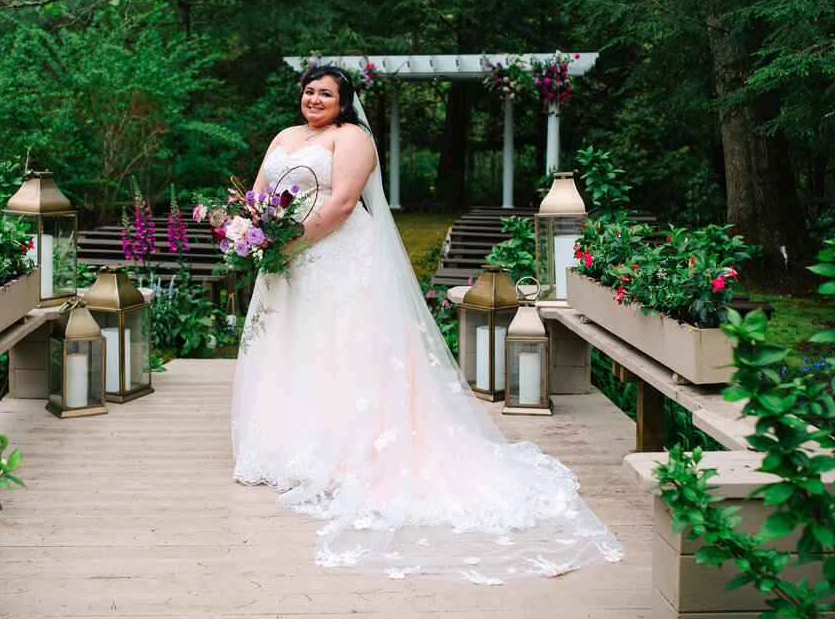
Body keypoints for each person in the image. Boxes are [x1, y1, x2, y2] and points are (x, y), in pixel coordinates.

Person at [231, 64, 624, 583]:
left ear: (344, 102)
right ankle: (290, 448)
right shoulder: (284, 136)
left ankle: (345, 453)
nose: (314, 99)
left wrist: (288, 241)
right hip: (286, 263)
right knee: (292, 346)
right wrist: (246, 227)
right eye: (309, 91)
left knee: (340, 350)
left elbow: (344, 204)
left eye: (325, 93)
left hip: (335, 258)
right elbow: (257, 195)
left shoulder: (353, 139)